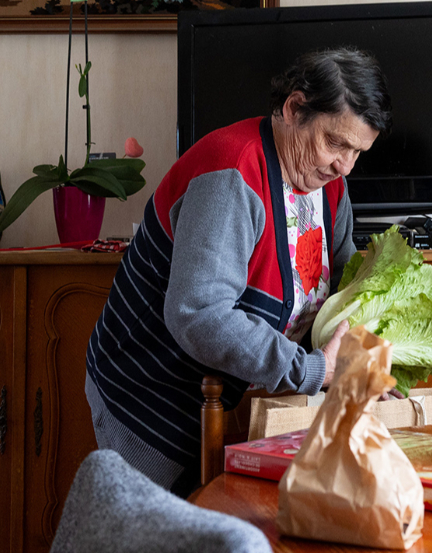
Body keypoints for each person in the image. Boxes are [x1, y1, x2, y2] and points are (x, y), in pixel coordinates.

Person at [85, 48, 393, 498]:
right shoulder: (231, 172)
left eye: (357, 152)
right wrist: (312, 369)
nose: (344, 165)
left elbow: (346, 291)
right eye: (335, 143)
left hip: (217, 398)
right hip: (148, 397)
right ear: (294, 109)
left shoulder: (330, 187)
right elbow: (199, 314)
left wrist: (366, 360)